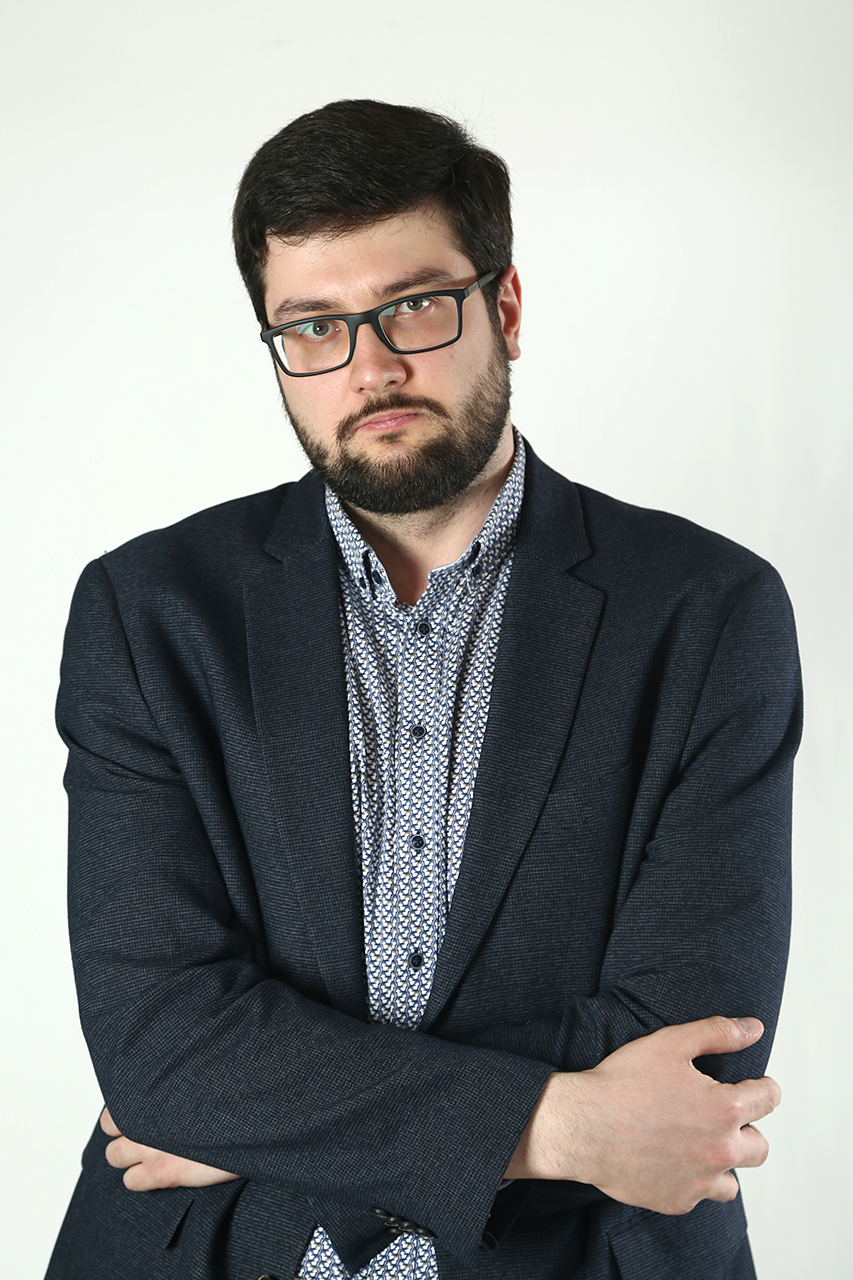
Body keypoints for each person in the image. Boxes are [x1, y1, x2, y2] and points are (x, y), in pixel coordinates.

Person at [46, 100, 801, 1280]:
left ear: (505, 306)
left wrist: (261, 1109)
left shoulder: (708, 611)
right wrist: (559, 1124)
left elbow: (691, 1050)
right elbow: (162, 1046)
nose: (371, 366)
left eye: (414, 305)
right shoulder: (148, 613)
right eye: (313, 326)